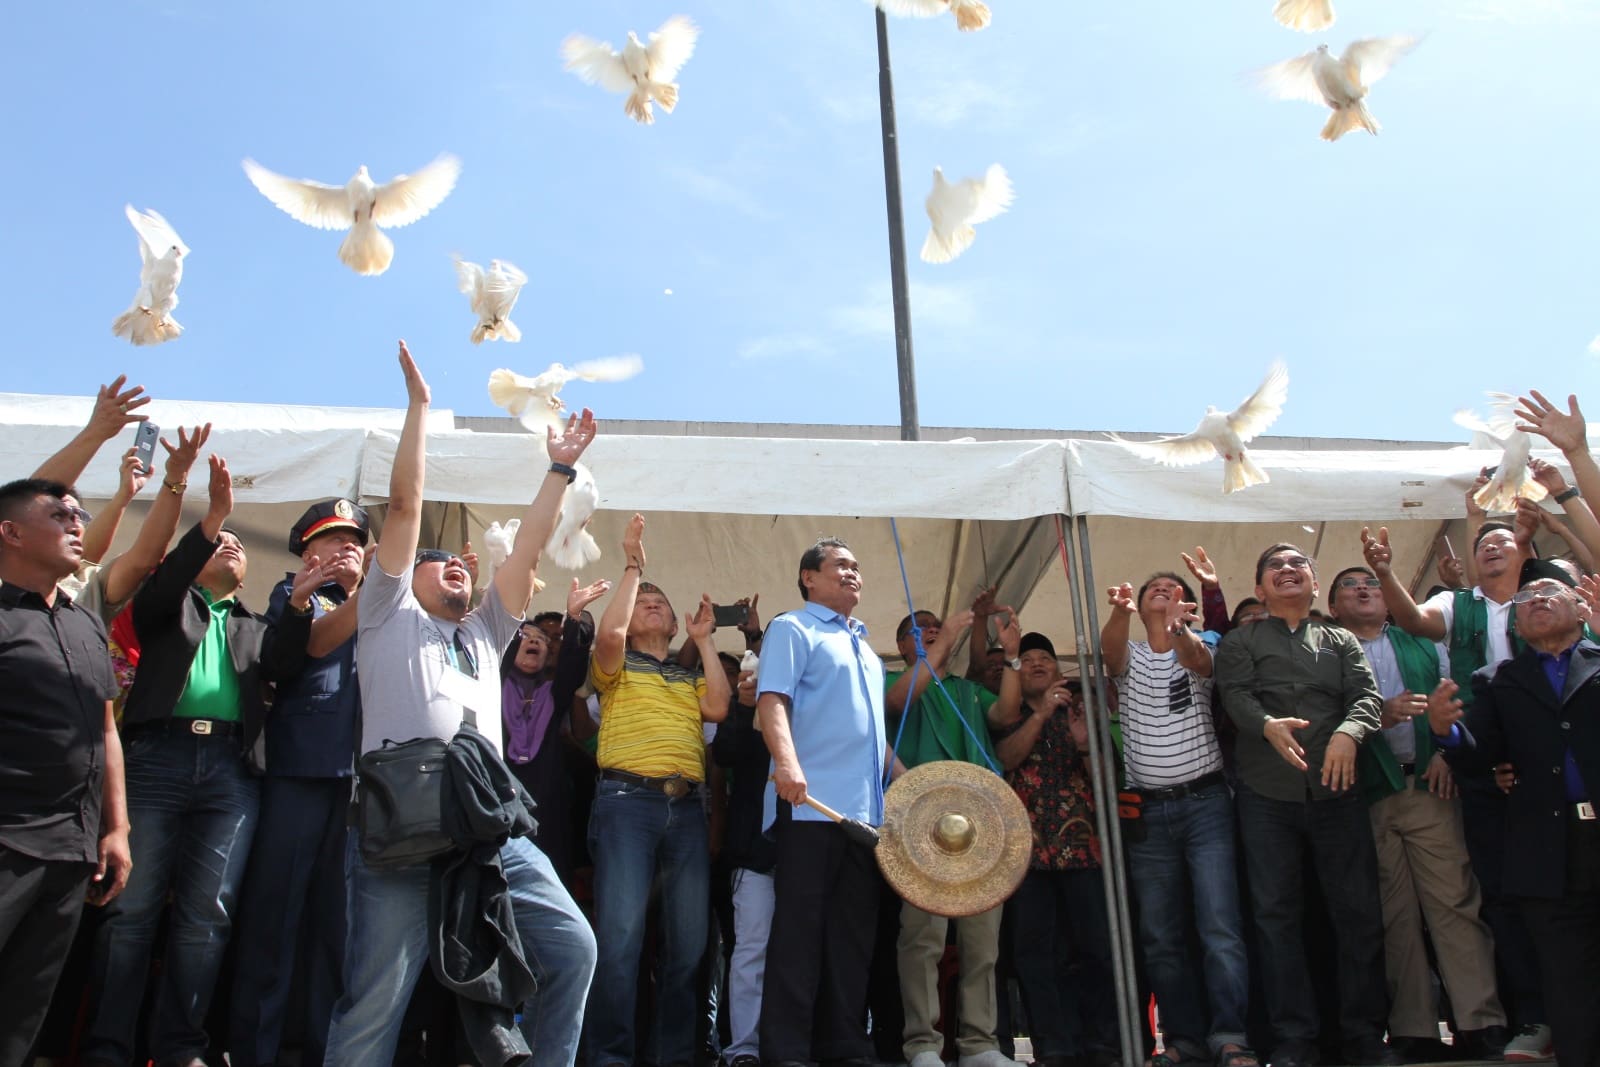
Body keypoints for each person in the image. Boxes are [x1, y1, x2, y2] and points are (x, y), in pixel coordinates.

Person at [323, 342, 597, 1065]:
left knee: (572, 947)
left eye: (460, 562)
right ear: (398, 577)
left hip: (489, 833)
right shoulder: (385, 613)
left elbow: (528, 551)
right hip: (400, 833)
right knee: (374, 1003)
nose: (453, 563)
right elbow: (408, 505)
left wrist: (560, 469)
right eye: (432, 560)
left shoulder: (486, 629)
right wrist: (418, 410)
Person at [82, 452, 316, 1067]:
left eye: (239, 547)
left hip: (231, 771)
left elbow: (285, 665)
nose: (233, 549)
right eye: (222, 543)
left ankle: (181, 1046)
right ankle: (107, 1049)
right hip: (157, 756)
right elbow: (161, 579)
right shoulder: (167, 607)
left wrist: (295, 609)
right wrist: (212, 518)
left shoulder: (252, 625)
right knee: (131, 911)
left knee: (208, 916)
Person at [1365, 515, 1554, 1061]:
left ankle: (1534, 1017)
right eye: (1482, 543)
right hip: (1461, 772)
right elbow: (1419, 622)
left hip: (1536, 771)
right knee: (1490, 899)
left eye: (1503, 540)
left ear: (1525, 549)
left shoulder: (1549, 596)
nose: (1492, 548)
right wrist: (1386, 571)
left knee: (1545, 898)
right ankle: (1498, 1020)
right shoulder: (1456, 606)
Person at [1214, 544, 1394, 1067]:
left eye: (1299, 565)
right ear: (1261, 586)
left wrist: (1350, 733)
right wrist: (1265, 725)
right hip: (1266, 796)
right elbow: (1236, 694)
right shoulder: (1241, 640)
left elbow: (1366, 697)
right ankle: (1294, 1040)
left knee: (1358, 915)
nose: (1288, 571)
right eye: (1275, 567)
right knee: (1276, 919)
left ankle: (1363, 1036)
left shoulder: (1339, 639)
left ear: (1316, 585)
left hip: (1338, 794)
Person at [1327, 564, 1506, 1060]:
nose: (1363, 590)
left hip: (1429, 784)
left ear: (1390, 599)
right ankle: (1414, 1030)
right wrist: (1375, 716)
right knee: (1393, 914)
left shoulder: (1428, 642)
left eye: (1372, 584)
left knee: (1455, 904)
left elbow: (1459, 701)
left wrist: (1448, 753)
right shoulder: (1326, 651)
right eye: (1349, 586)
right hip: (1366, 794)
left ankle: (1480, 1022)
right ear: (1333, 606)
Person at [1428, 559, 1600, 1067]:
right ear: (1515, 624)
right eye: (1525, 600)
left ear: (1580, 605)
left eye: (1550, 591)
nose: (1536, 600)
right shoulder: (1497, 679)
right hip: (1550, 847)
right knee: (1567, 979)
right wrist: (1446, 732)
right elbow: (1481, 754)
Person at [229, 499, 371, 1067]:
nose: (347, 549)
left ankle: (325, 1050)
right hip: (299, 770)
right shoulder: (291, 596)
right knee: (275, 917)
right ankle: (255, 1050)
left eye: (355, 541)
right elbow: (282, 662)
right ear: (306, 552)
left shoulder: (387, 604)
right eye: (333, 540)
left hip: (361, 782)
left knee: (338, 930)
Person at [584, 513, 729, 1067]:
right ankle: (610, 1058)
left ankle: (672, 1057)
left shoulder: (689, 676)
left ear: (674, 624)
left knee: (689, 946)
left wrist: (705, 641)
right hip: (627, 805)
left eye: (660, 600)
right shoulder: (614, 669)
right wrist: (631, 566)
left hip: (687, 810)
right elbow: (608, 635)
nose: (652, 602)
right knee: (620, 942)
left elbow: (718, 706)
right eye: (643, 598)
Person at [1100, 573, 1254, 1067]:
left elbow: (1198, 663)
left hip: (1206, 805)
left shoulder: (1200, 640)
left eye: (1172, 587)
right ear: (1140, 606)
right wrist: (1120, 613)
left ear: (1184, 602)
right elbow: (1110, 650)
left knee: (1219, 927)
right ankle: (1183, 1042)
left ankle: (1230, 1036)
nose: (1162, 591)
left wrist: (1179, 627)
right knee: (1161, 936)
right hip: (1148, 810)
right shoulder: (1132, 657)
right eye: (1153, 589)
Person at [0, 478, 130, 1064]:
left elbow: (106, 731)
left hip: (71, 852)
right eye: (60, 514)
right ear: (12, 532)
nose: (78, 523)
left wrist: (117, 829)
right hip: (6, 839)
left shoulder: (85, 624)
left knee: (23, 1012)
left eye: (81, 513)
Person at [758, 537, 900, 1067]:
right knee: (799, 936)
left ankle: (843, 1046)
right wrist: (787, 763)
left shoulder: (866, 648)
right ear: (808, 578)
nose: (852, 574)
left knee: (852, 938)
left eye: (857, 566)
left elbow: (873, 737)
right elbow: (773, 699)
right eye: (840, 565)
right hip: (811, 807)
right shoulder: (792, 628)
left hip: (864, 819)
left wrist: (906, 785)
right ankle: (787, 1053)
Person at [993, 633, 1118, 1067]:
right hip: (1026, 854)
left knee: (1096, 948)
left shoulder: (1081, 711)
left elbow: (1106, 778)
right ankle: (1054, 1045)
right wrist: (1041, 713)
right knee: (1034, 954)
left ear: (1058, 669)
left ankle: (1103, 1043)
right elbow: (1007, 759)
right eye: (1026, 659)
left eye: (1045, 657)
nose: (1036, 663)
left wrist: (1084, 742)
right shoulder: (1008, 715)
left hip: (1083, 848)